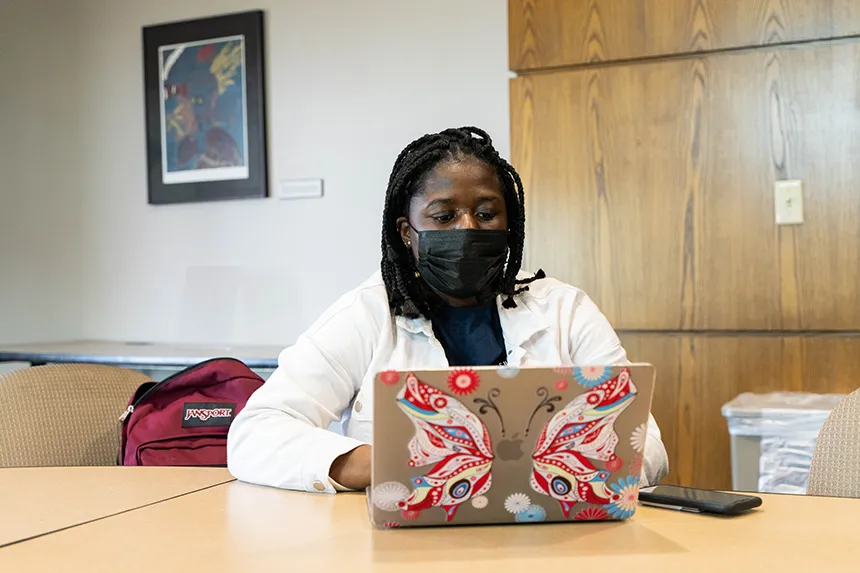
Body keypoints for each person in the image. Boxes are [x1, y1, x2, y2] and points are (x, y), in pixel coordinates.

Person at [227, 126, 669, 493]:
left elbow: (645, 441)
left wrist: (561, 463)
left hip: (547, 539)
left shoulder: (566, 312)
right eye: (443, 216)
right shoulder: (366, 315)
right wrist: (384, 465)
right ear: (407, 232)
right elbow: (255, 433)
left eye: (485, 213)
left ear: (509, 223)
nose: (468, 229)